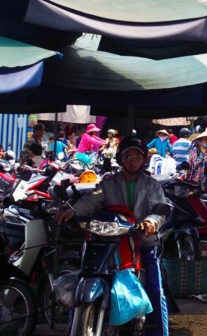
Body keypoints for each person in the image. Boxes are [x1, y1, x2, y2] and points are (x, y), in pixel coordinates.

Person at [57, 136, 170, 336]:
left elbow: (160, 210)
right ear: (121, 159)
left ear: (143, 159)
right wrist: (72, 211)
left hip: (143, 243)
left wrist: (151, 223)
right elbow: (92, 200)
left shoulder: (152, 185)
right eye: (128, 155)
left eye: (137, 155)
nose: (132, 159)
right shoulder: (109, 183)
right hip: (112, 243)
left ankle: (160, 332)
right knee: (86, 276)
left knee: (155, 288)